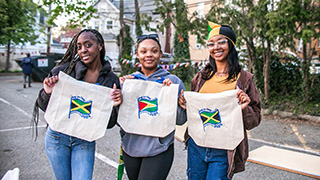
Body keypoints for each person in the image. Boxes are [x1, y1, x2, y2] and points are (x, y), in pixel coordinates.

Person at [35, 29, 122, 180]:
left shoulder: (111, 80)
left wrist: (114, 106)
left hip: (84, 140)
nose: (83, 50)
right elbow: (44, 106)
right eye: (79, 46)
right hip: (57, 137)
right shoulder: (65, 71)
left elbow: (109, 123)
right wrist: (48, 92)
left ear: (100, 46)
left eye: (88, 45)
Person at [178, 22, 261, 179]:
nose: (216, 47)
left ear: (231, 44)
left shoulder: (244, 79)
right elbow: (196, 110)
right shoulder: (200, 77)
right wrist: (184, 105)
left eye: (221, 42)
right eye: (211, 43)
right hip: (197, 145)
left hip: (224, 149)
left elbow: (255, 119)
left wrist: (245, 108)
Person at [119, 34, 187, 180]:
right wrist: (120, 93)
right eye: (143, 51)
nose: (149, 55)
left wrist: (171, 97)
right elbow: (118, 117)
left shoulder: (173, 81)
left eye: (154, 51)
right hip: (130, 147)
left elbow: (181, 120)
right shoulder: (128, 81)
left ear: (160, 54)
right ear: (137, 55)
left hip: (159, 149)